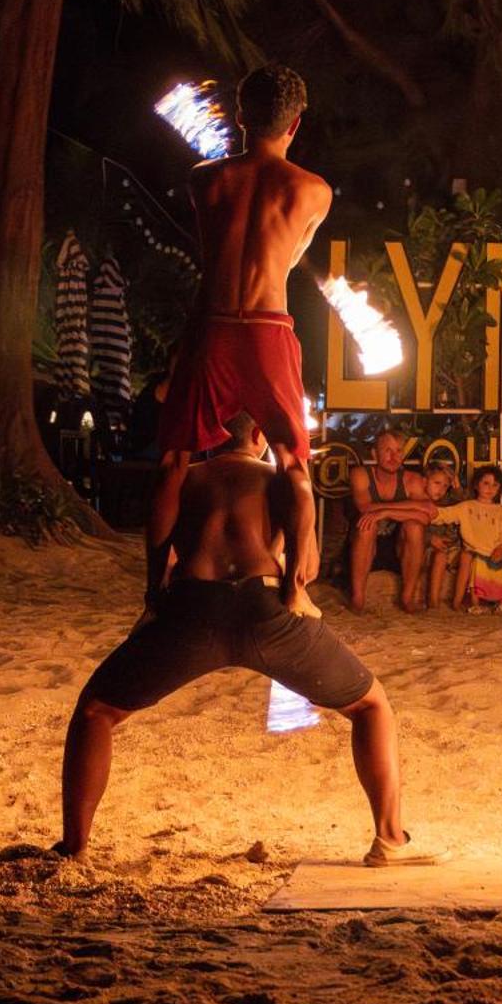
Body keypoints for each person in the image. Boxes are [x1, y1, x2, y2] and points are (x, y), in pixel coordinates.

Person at [56, 415, 428, 866]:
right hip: (265, 610)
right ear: (259, 437)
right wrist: (294, 582)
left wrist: (155, 593)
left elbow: (158, 534)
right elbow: (306, 559)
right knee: (372, 706)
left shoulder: (186, 477)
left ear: (212, 437)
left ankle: (74, 846)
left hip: (194, 611)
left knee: (96, 711)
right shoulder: (278, 478)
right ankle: (390, 839)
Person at [151, 65, 332, 621]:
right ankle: (297, 590)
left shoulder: (205, 178)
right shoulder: (313, 190)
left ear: (238, 116)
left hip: (212, 323)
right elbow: (289, 260)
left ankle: (155, 596)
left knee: (174, 462)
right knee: (293, 464)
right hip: (267, 325)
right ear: (296, 124)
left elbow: (214, 256)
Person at [345, 430, 435, 613]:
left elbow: (428, 514)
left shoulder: (412, 480)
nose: (394, 457)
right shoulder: (360, 474)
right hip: (366, 548)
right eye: (387, 450)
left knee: (415, 527)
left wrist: (385, 510)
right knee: (366, 525)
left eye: (399, 451)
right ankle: (358, 599)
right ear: (374, 454)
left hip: (399, 549)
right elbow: (365, 508)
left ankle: (407, 598)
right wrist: (412, 507)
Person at [435, 465, 502, 614]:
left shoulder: (500, 511)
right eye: (485, 483)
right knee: (474, 563)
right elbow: (444, 514)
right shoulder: (467, 507)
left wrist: (501, 548)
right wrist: (424, 511)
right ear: (476, 485)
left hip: (495, 552)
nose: (490, 488)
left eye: (495, 485)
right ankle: (472, 603)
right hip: (475, 552)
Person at [420, 464, 464, 611]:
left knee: (460, 555)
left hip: (448, 549)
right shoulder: (418, 500)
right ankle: (433, 601)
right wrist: (430, 539)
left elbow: (462, 505)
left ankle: (440, 602)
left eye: (445, 486)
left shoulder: (446, 502)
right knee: (439, 556)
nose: (441, 489)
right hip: (424, 549)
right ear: (425, 481)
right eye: (437, 483)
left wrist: (456, 485)